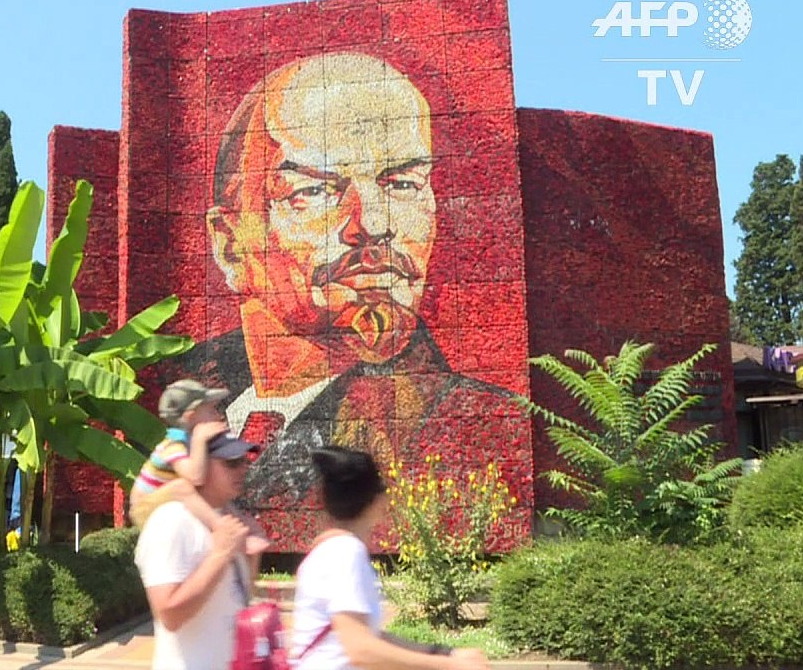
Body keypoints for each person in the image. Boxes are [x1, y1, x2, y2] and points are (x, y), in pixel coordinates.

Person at [170, 51, 516, 506]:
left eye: (403, 184)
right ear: (230, 243)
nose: (372, 223)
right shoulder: (176, 392)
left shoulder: (482, 428)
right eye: (314, 190)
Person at [292, 445, 491, 670]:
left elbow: (368, 635)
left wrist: (446, 654)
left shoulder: (328, 549)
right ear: (375, 500)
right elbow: (361, 650)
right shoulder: (346, 553)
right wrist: (447, 665)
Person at [133, 430, 262, 670]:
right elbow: (170, 614)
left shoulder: (227, 520)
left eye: (244, 461)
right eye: (232, 462)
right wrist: (220, 555)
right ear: (202, 465)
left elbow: (234, 600)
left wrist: (251, 558)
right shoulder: (171, 521)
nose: (243, 469)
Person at [130, 379, 271, 554]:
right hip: (145, 507)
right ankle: (223, 530)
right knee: (183, 487)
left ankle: (247, 529)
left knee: (215, 491)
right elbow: (195, 477)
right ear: (191, 416)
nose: (217, 415)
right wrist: (199, 439)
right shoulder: (172, 446)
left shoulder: (188, 444)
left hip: (166, 501)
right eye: (211, 411)